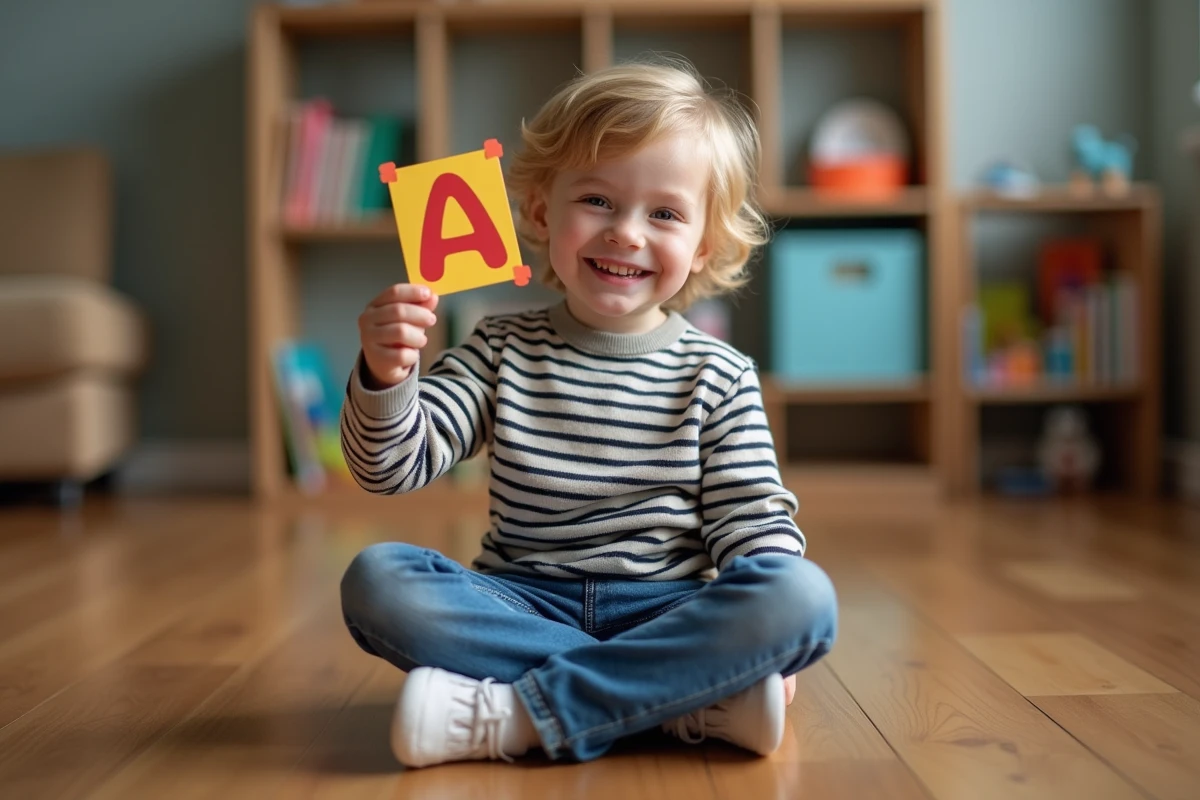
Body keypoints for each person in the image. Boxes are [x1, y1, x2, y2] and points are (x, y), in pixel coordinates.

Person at [338, 58, 837, 769]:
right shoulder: (498, 347)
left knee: (801, 596)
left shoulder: (719, 374)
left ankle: (517, 715)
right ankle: (677, 696)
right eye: (598, 201)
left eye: (664, 213)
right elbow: (389, 468)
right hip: (520, 606)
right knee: (377, 580)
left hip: (670, 610)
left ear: (702, 247)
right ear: (543, 213)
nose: (627, 233)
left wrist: (768, 635)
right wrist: (387, 374)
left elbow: (753, 524)